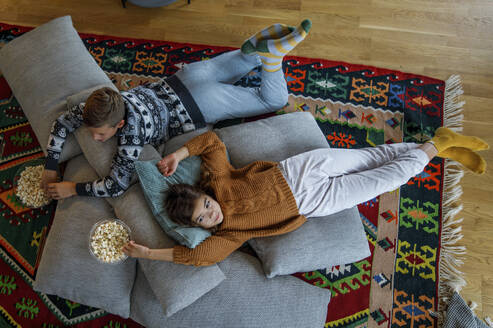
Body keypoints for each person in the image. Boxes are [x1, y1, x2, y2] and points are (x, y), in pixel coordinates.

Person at [122, 128, 488, 266]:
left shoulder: (218, 178)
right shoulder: (228, 234)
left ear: (204, 194)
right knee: (386, 178)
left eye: (205, 206)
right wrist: (146, 252)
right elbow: (198, 256)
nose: (210, 215)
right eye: (202, 219)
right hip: (316, 201)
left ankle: (439, 146)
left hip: (299, 170)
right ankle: (438, 144)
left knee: (371, 157)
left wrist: (178, 156)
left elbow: (211, 142)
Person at [41, 19, 312, 199]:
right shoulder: (104, 102)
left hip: (202, 104)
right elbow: (64, 122)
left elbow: (115, 186)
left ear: (120, 125)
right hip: (187, 77)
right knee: (232, 64)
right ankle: (255, 47)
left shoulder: (131, 137)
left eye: (100, 135)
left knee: (272, 101)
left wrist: (73, 189)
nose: (94, 138)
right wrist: (51, 166)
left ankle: (273, 58)